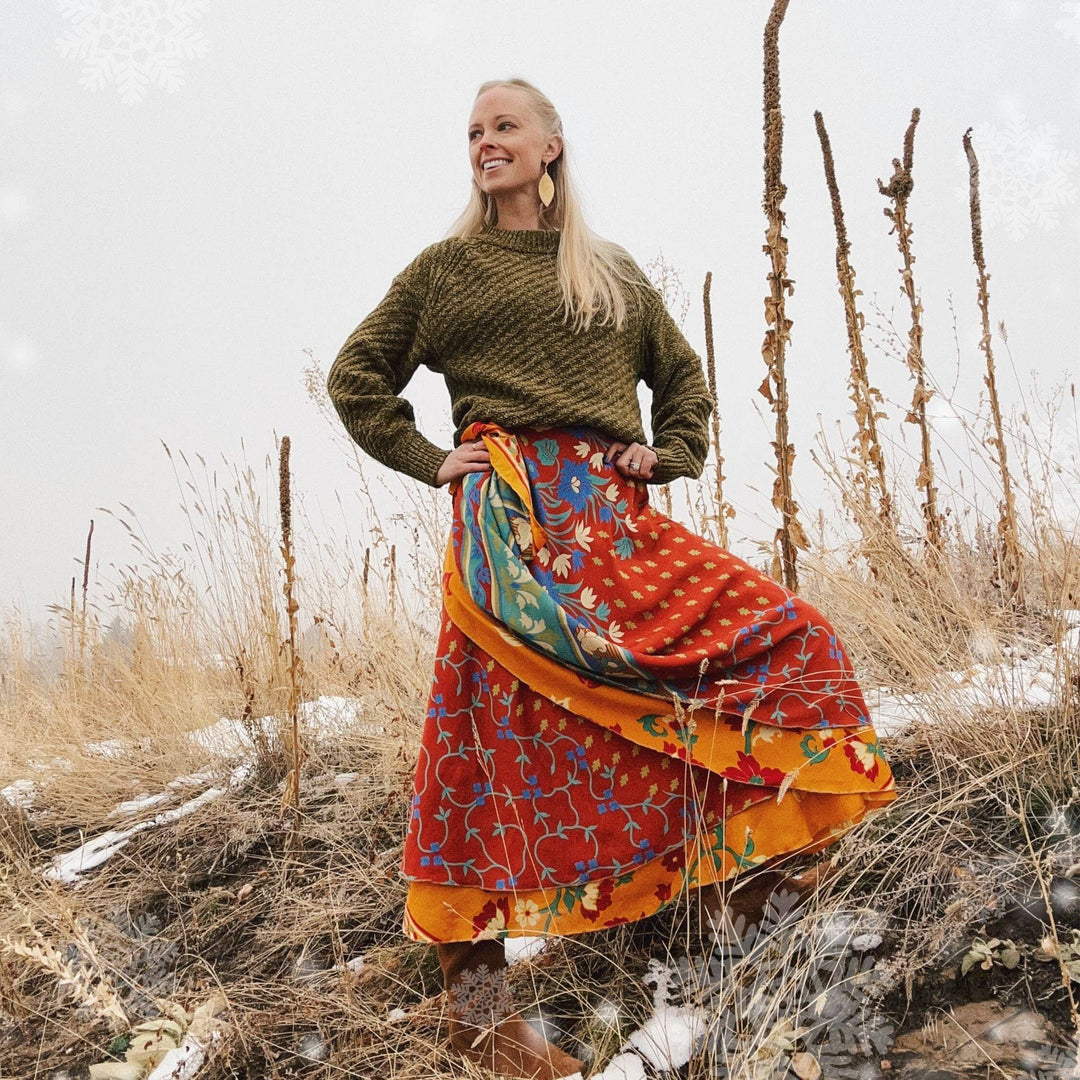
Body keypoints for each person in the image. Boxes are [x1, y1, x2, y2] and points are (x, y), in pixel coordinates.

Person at [327, 77, 898, 1080]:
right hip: (509, 530)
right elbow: (356, 376)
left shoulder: (611, 272)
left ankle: (738, 894)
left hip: (611, 517)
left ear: (550, 144)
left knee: (787, 639)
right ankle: (479, 1019)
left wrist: (666, 453)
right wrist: (433, 460)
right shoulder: (445, 271)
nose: (485, 142)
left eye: (505, 126)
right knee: (486, 748)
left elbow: (684, 383)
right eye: (474, 131)